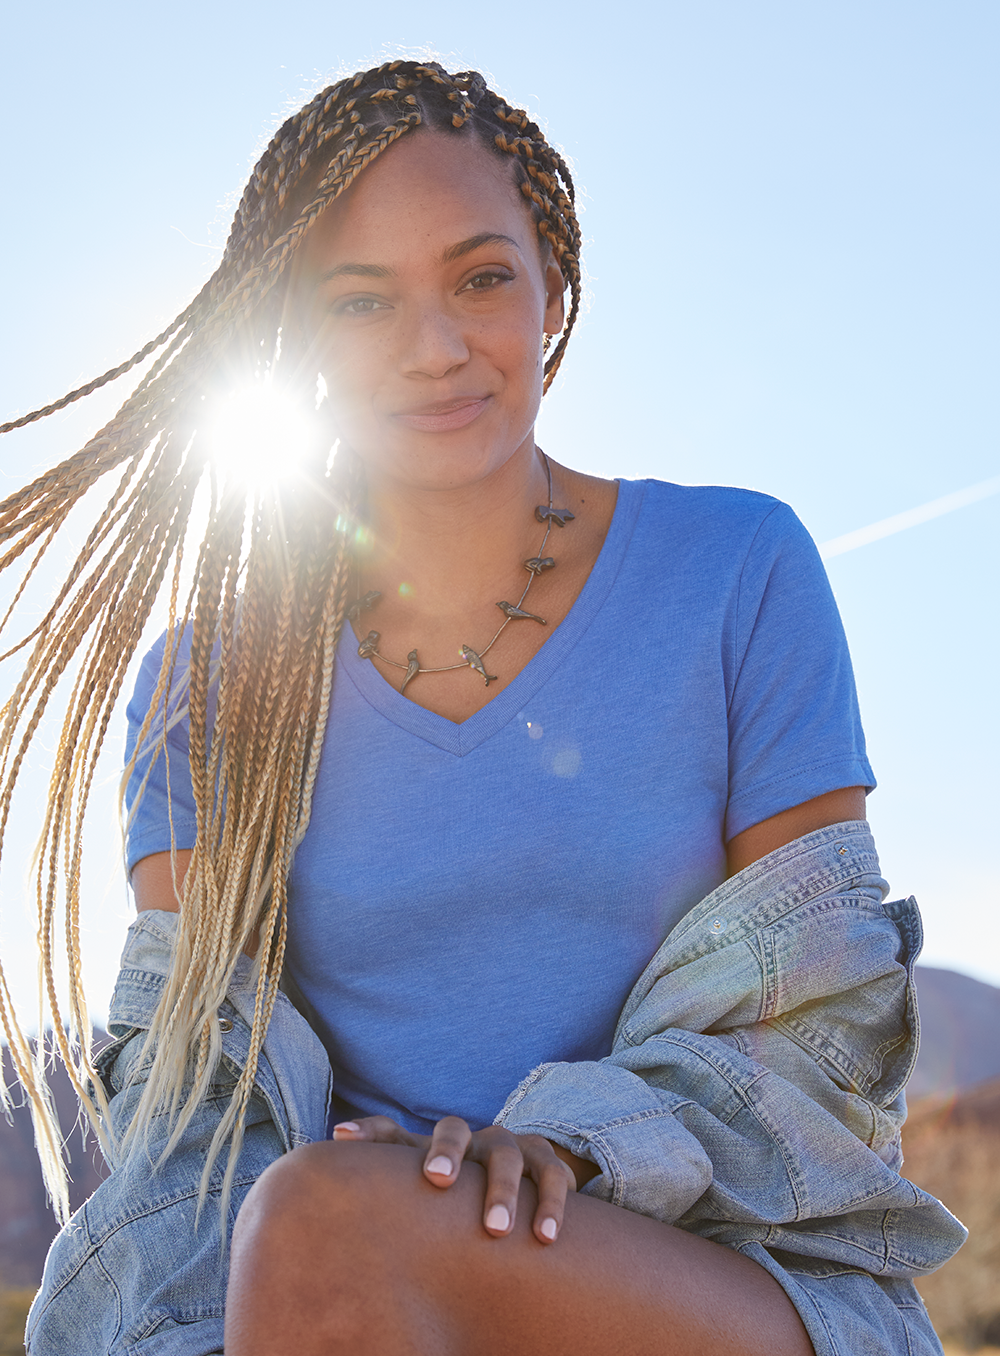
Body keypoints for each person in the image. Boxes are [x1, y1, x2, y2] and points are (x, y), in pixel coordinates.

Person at [0, 61, 965, 1356]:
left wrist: (571, 1152)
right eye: (363, 301)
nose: (437, 345)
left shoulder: (736, 574)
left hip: (704, 1278)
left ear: (552, 293)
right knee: (311, 1241)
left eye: (481, 278)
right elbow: (192, 1123)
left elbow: (819, 1043)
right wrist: (397, 1212)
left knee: (327, 1230)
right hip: (334, 1286)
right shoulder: (205, 691)